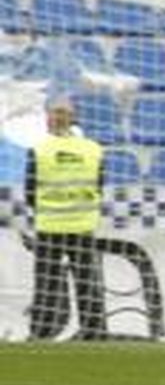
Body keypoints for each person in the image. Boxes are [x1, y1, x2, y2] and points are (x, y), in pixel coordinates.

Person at [26, 95, 106, 341]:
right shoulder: (93, 149)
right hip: (81, 226)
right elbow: (100, 186)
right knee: (86, 282)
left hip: (50, 226)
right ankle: (94, 332)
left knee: (47, 284)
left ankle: (41, 333)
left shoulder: (39, 150)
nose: (55, 117)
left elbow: (29, 190)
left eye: (56, 112)